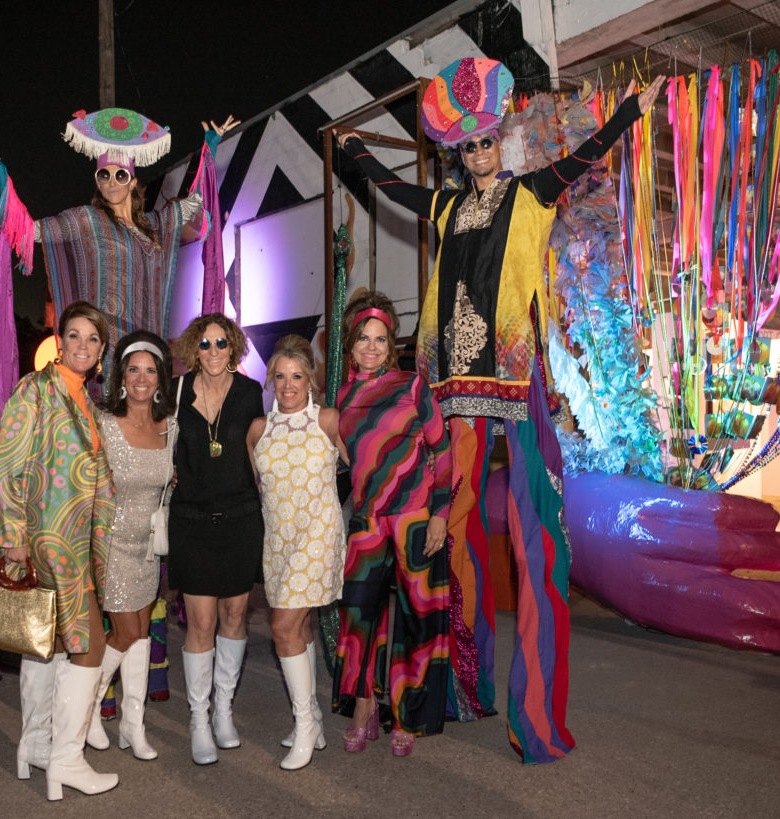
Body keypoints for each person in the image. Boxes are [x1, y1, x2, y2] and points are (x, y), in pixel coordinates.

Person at [337, 58, 665, 763]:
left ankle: (536, 719)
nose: (479, 154)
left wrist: (629, 114)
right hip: (452, 390)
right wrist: (354, 151)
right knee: (446, 540)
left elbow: (582, 158)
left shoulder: (531, 192)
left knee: (534, 542)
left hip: (513, 388)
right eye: (468, 147)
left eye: (487, 142)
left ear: (502, 140)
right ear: (459, 153)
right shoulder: (449, 206)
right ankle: (459, 686)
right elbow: (394, 190)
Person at [0, 111, 238, 398]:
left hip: (145, 351)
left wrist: (210, 147)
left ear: (132, 182)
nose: (111, 181)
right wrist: (1, 175)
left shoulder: (156, 225)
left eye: (120, 175)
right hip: (103, 353)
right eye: (104, 175)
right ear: (97, 181)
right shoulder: (87, 220)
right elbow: (30, 232)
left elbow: (197, 201)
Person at [0, 300, 119, 800]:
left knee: (46, 643)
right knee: (90, 645)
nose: (83, 346)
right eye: (74, 336)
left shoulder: (86, 401)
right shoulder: (35, 390)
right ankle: (66, 759)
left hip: (81, 540)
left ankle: (35, 745)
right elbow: (7, 464)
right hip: (49, 538)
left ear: (102, 349)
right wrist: (13, 536)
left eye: (93, 339)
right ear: (59, 340)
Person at [332, 291, 453, 758]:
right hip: (366, 522)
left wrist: (440, 514)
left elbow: (442, 453)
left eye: (380, 339)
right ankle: (364, 709)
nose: (371, 347)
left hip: (415, 519)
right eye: (363, 338)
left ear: (391, 343)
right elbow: (343, 462)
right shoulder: (340, 396)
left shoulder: (413, 386)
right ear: (352, 343)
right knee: (357, 616)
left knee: (416, 619)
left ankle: (409, 715)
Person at [246, 335, 347, 770]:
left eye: (297, 377)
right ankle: (315, 722)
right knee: (300, 628)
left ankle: (305, 723)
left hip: (318, 536)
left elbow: (364, 470)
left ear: (311, 381)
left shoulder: (327, 421)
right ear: (271, 380)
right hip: (279, 541)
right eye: (281, 377)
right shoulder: (258, 430)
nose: (288, 385)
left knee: (282, 625)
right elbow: (262, 488)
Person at [169, 312, 264, 765]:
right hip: (190, 520)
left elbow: (265, 447)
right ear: (193, 348)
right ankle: (199, 718)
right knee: (200, 621)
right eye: (204, 345)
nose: (212, 352)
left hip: (241, 517)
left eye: (221, 344)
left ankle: (224, 709)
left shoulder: (250, 392)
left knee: (236, 612)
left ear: (234, 348)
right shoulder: (177, 393)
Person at [87, 330, 177, 762]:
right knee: (124, 633)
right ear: (122, 375)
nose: (142, 378)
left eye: (151, 370)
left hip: (148, 548)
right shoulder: (102, 423)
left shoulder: (169, 426)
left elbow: (170, 483)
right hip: (111, 545)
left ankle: (132, 726)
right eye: (134, 368)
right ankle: (85, 712)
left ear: (161, 378)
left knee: (141, 634)